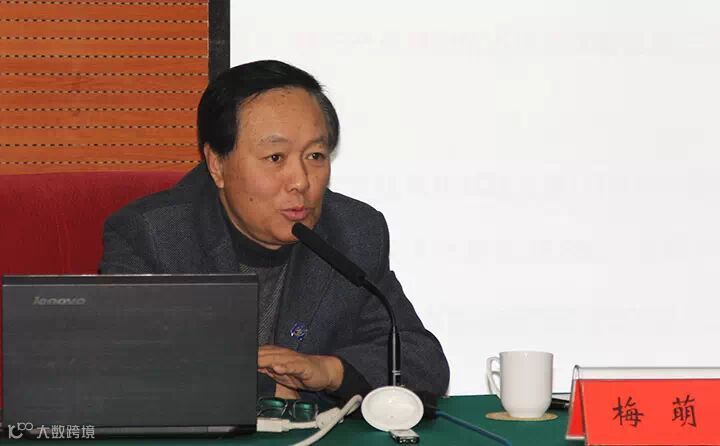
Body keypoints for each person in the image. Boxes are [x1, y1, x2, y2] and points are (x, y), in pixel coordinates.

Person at [100, 60, 449, 403]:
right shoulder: (154, 236)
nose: (300, 181)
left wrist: (330, 371)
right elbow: (120, 365)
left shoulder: (353, 231)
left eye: (315, 155)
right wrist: (263, 390)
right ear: (217, 164)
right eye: (275, 158)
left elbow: (423, 362)